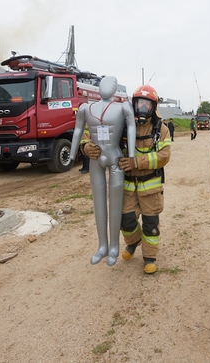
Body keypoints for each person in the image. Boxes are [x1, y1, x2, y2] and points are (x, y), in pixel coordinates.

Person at [70, 76, 137, 266]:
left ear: (115, 89)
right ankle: (102, 246)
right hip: (95, 158)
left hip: (115, 156)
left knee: (115, 205)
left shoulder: (123, 107)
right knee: (99, 204)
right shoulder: (85, 108)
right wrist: (73, 153)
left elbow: (131, 126)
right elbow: (77, 130)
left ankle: (114, 247)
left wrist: (131, 154)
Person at [117, 85, 171, 274]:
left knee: (151, 225)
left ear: (153, 107)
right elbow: (101, 138)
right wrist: (88, 147)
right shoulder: (122, 126)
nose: (142, 108)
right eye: (139, 103)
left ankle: (149, 257)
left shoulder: (161, 130)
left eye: (147, 104)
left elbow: (164, 156)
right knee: (125, 221)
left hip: (151, 189)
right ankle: (133, 242)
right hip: (128, 187)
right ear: (133, 104)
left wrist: (136, 163)